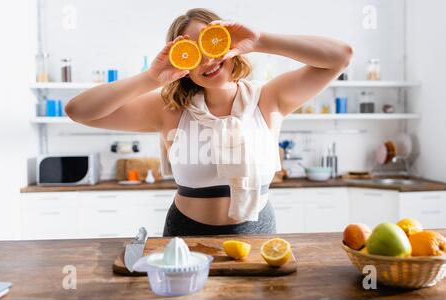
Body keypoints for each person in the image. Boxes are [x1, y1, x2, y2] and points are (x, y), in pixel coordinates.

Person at [65, 8, 353, 236]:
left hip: (257, 233)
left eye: (211, 44)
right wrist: (150, 78)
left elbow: (341, 56)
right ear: (182, 63)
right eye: (192, 53)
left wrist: (261, 41)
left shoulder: (269, 99)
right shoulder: (169, 109)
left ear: (228, 42)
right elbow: (79, 110)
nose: (207, 61)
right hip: (186, 233)